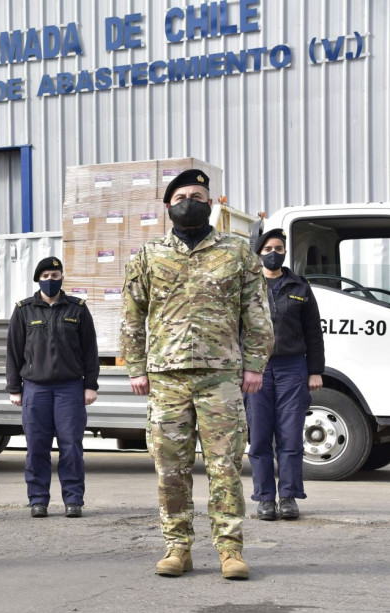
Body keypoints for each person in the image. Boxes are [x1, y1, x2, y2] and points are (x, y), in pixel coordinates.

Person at [120, 170, 274, 580]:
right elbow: (132, 316)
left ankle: (230, 550)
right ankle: (178, 547)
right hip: (167, 377)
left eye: (199, 195)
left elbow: (257, 314)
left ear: (212, 203)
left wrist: (256, 364)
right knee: (170, 467)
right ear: (168, 206)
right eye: (183, 195)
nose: (191, 200)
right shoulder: (148, 255)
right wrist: (136, 367)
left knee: (225, 466)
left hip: (220, 375)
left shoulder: (239, 253)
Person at [6, 257, 99, 518]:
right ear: (38, 279)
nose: (50, 280)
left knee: (71, 446)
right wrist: (15, 388)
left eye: (55, 275)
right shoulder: (24, 310)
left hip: (70, 388)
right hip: (36, 389)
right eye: (45, 276)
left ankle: (74, 500)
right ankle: (38, 500)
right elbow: (13, 352)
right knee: (37, 447)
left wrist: (90, 385)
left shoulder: (77, 309)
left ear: (62, 278)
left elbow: (90, 350)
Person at [246, 228, 324, 521]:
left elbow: (313, 332)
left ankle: (289, 496)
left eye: (278, 248)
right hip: (258, 370)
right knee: (260, 437)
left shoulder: (300, 287)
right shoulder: (249, 287)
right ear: (259, 253)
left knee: (291, 437)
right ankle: (265, 498)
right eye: (267, 249)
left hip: (293, 368)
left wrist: (315, 370)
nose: (273, 253)